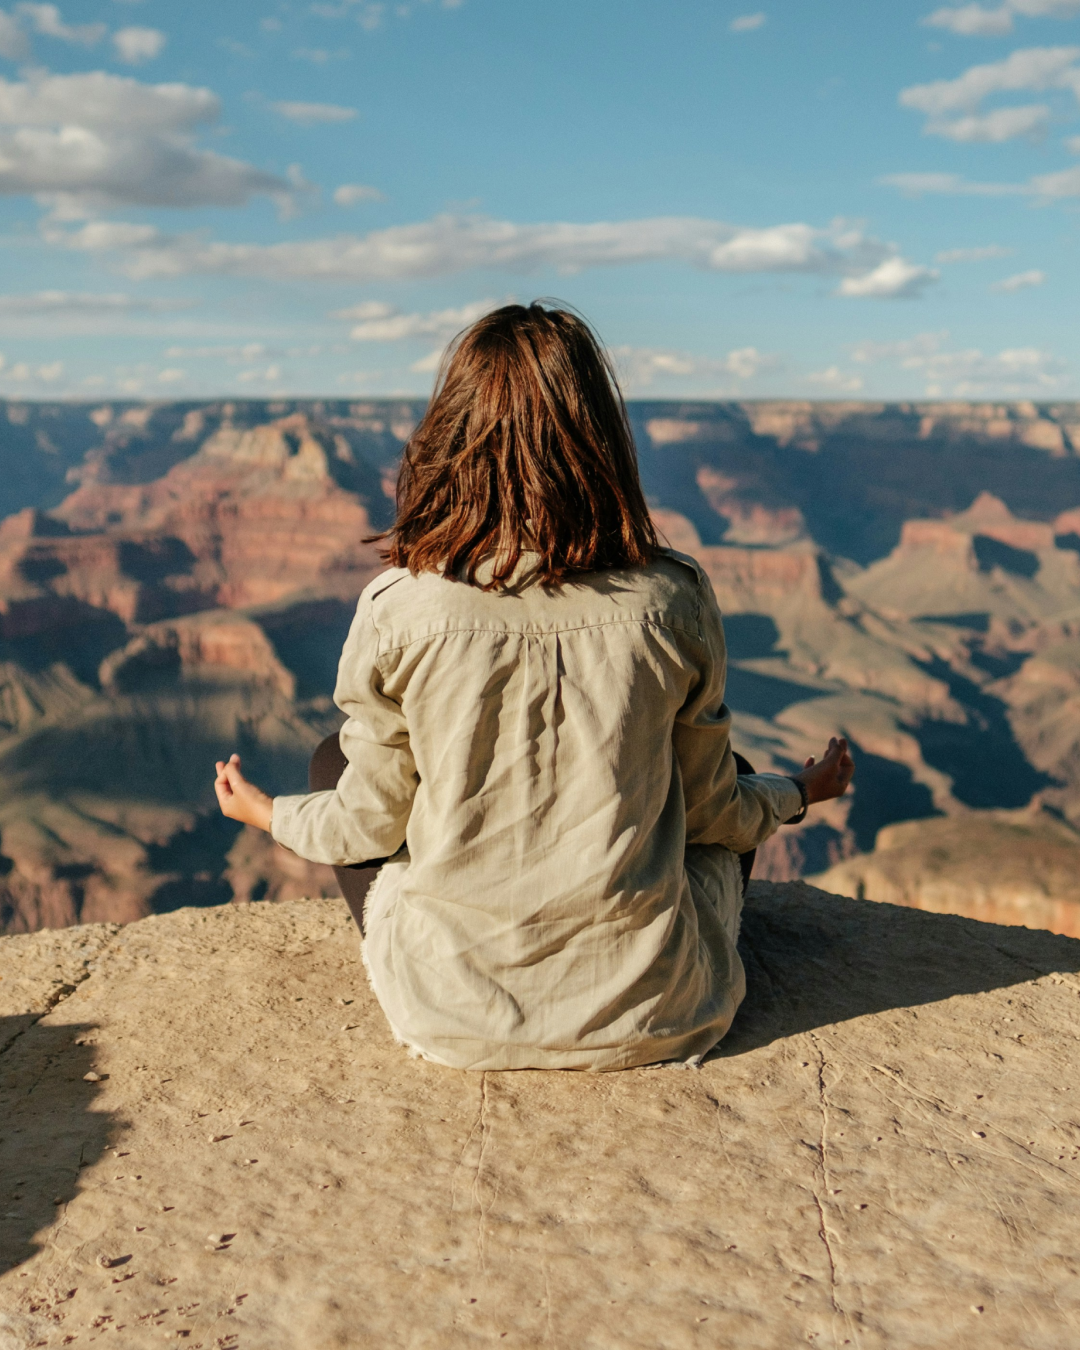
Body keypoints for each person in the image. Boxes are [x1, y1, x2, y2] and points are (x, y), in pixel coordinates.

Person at [213, 303, 854, 1072]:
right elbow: (715, 812)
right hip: (658, 1015)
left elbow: (369, 828)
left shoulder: (399, 606)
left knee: (331, 765)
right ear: (600, 439)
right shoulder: (671, 597)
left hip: (450, 1019)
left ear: (450, 437)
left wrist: (266, 813)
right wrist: (798, 791)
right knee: (736, 772)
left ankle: (466, 975)